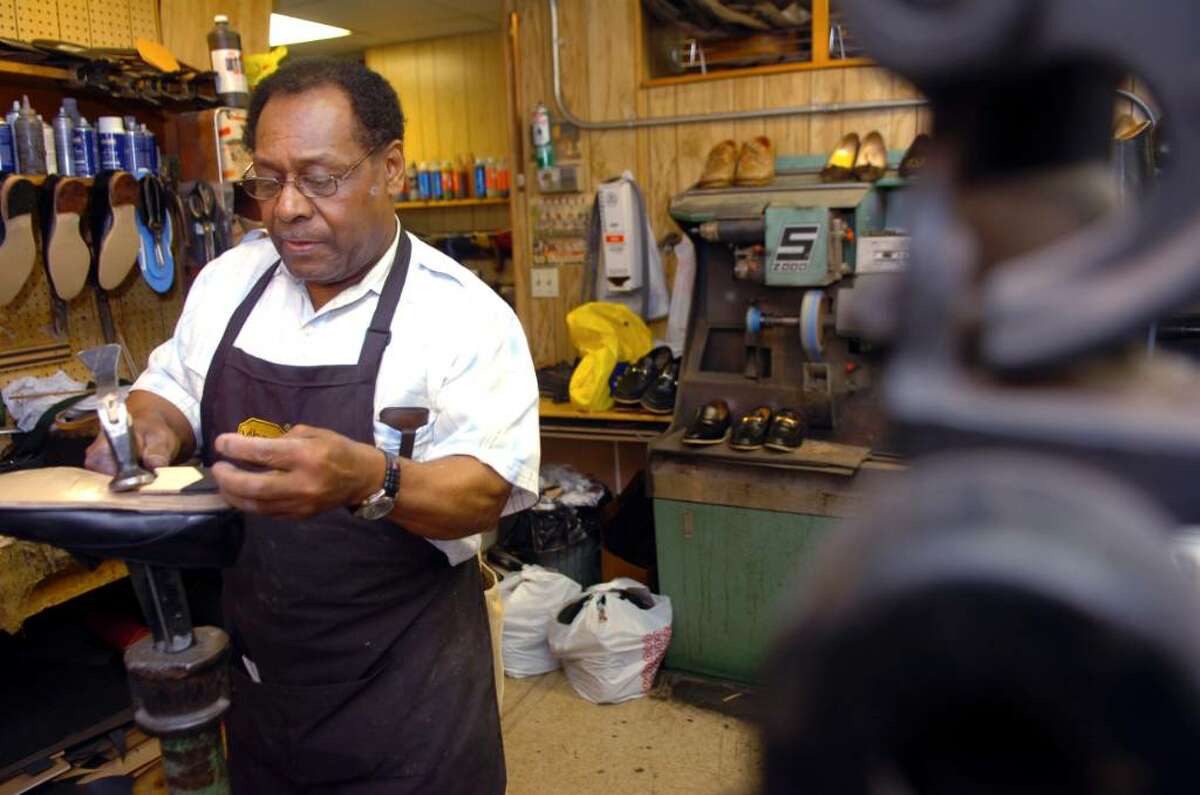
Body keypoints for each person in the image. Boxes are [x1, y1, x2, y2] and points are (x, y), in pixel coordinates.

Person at [85, 57, 539, 793]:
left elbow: (484, 493)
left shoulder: (463, 315)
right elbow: (168, 387)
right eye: (267, 180)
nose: (287, 207)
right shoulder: (231, 282)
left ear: (390, 168)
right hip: (262, 683)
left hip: (407, 699)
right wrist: (146, 429)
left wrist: (371, 477)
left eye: (319, 179)